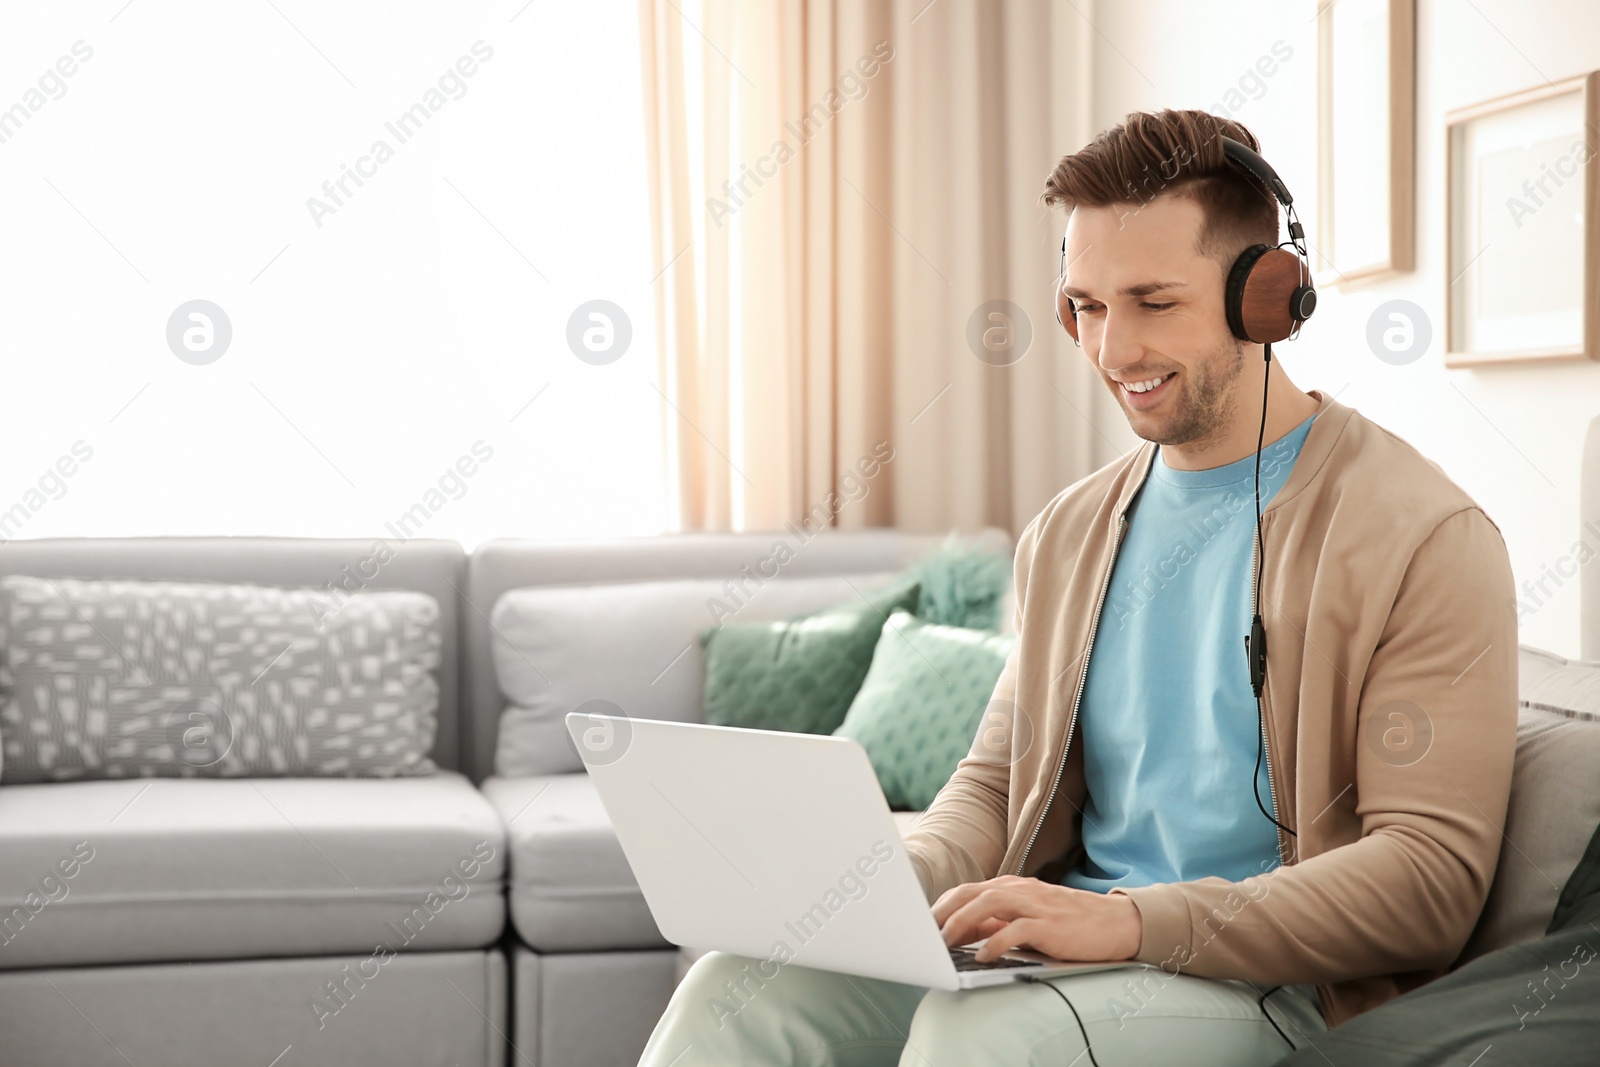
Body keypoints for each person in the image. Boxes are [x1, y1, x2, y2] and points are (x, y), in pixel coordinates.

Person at [636, 108, 1518, 1067]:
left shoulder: (1423, 535)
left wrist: (1133, 922)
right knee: (734, 987)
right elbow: (994, 781)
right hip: (1070, 956)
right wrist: (889, 884)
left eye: (1154, 301)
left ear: (1266, 298)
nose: (1112, 350)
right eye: (1086, 306)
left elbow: (1430, 881)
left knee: (978, 1032)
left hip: (1271, 989)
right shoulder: (1070, 531)